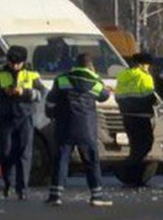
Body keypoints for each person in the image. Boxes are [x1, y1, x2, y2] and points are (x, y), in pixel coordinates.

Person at [45, 53, 113, 207]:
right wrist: (102, 84)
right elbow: (104, 96)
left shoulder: (62, 79)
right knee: (91, 161)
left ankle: (55, 195)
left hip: (65, 125)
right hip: (86, 127)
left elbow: (50, 100)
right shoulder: (93, 82)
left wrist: (51, 114)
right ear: (91, 66)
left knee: (61, 160)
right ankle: (96, 195)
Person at [0, 45, 45, 201]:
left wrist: (24, 92)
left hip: (25, 117)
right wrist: (4, 91)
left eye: (18, 63)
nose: (15, 66)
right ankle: (8, 184)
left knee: (24, 153)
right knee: (6, 152)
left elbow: (41, 93)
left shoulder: (31, 74)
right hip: (6, 118)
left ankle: (22, 188)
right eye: (12, 63)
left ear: (23, 62)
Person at [115, 52, 161, 187]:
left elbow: (118, 97)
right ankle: (128, 172)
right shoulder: (144, 76)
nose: (148, 67)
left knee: (135, 146)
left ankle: (132, 176)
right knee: (146, 144)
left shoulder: (123, 75)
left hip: (127, 116)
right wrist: (158, 102)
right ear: (142, 64)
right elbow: (150, 97)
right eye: (147, 65)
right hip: (142, 116)